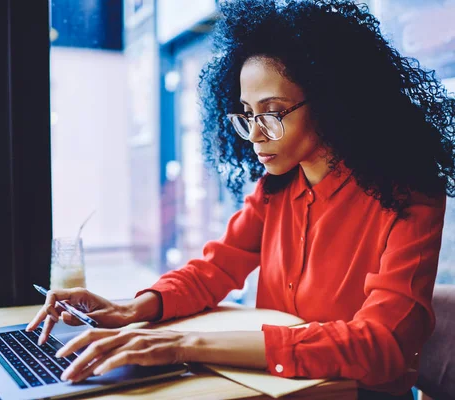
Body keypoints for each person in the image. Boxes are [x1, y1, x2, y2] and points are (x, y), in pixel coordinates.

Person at [27, 1, 455, 398]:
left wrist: (182, 343)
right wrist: (132, 309)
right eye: (247, 114)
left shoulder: (411, 197)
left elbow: (382, 345)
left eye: (271, 112)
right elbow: (215, 268)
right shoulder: (275, 189)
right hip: (264, 387)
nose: (254, 134)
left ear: (332, 102)